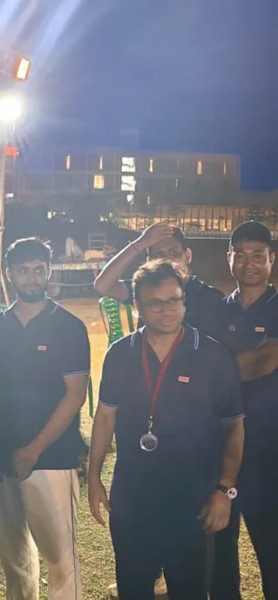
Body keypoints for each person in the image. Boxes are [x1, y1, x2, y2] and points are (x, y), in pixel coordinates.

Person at [88, 260, 245, 600]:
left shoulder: (212, 354)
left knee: (189, 588)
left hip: (193, 496)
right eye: (155, 303)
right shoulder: (121, 353)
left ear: (184, 300)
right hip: (133, 495)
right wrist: (94, 476)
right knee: (133, 586)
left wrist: (225, 489)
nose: (167, 310)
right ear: (137, 305)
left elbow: (234, 426)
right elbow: (105, 417)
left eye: (174, 300)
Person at [0, 237, 89, 600]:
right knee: (14, 558)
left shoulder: (68, 327)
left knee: (61, 558)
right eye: (24, 270)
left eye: (39, 269)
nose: (32, 278)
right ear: (10, 273)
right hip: (2, 459)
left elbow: (75, 395)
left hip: (52, 457)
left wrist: (33, 450)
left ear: (49, 272)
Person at [206, 221, 278, 600]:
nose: (250, 264)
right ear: (229, 257)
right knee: (220, 552)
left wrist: (215, 368)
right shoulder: (217, 310)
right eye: (242, 255)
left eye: (258, 256)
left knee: (273, 549)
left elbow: (265, 362)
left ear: (272, 259)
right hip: (220, 449)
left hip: (269, 449)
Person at [94, 223, 223, 335]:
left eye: (173, 253)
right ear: (149, 261)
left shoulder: (210, 297)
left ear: (188, 255)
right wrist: (140, 243)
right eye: (159, 255)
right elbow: (102, 285)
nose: (167, 260)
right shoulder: (145, 290)